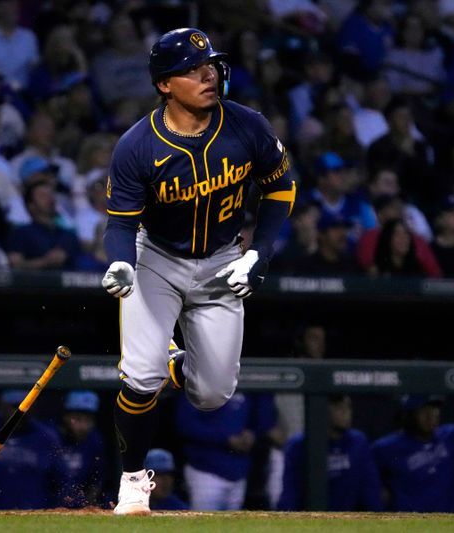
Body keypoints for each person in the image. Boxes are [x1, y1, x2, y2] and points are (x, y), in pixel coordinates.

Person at [99, 28, 295, 515]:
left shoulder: (247, 125)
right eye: (191, 68)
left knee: (213, 394)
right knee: (140, 376)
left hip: (223, 260)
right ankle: (131, 482)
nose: (207, 73)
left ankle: (174, 364)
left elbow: (281, 188)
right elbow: (119, 224)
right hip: (157, 259)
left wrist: (260, 254)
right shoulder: (137, 145)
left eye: (209, 64)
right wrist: (121, 262)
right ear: (165, 84)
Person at [371, 394, 454, 512]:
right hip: (409, 523)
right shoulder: (386, 447)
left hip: (448, 522)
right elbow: (367, 479)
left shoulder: (451, 435)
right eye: (423, 411)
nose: (431, 415)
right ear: (409, 415)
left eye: (434, 409)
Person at [176, 392, 278, 511]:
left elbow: (264, 420)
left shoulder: (247, 382)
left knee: (232, 527)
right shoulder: (200, 379)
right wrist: (225, 438)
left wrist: (252, 434)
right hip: (205, 471)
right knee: (204, 525)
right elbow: (186, 424)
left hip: (239, 471)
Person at [277, 394, 382, 511]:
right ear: (322, 410)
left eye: (348, 407)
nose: (346, 413)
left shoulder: (358, 441)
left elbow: (370, 490)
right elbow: (291, 494)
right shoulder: (298, 445)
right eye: (339, 408)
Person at [52, 390, 106, 509]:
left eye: (88, 420)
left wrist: (87, 506)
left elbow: (96, 481)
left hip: (78, 508)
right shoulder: (50, 436)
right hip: (46, 506)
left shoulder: (94, 440)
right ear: (65, 416)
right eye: (77, 419)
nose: (83, 426)